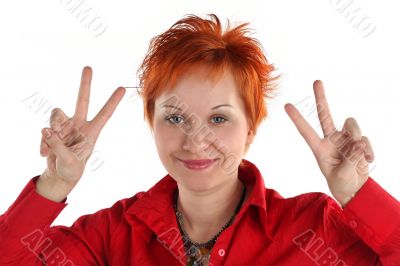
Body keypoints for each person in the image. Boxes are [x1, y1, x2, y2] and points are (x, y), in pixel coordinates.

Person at [0, 13, 399, 266]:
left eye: (219, 118)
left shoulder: (315, 230)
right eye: (175, 117)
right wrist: (53, 185)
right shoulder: (111, 236)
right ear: (150, 123)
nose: (196, 140)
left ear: (251, 128)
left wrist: (357, 192)